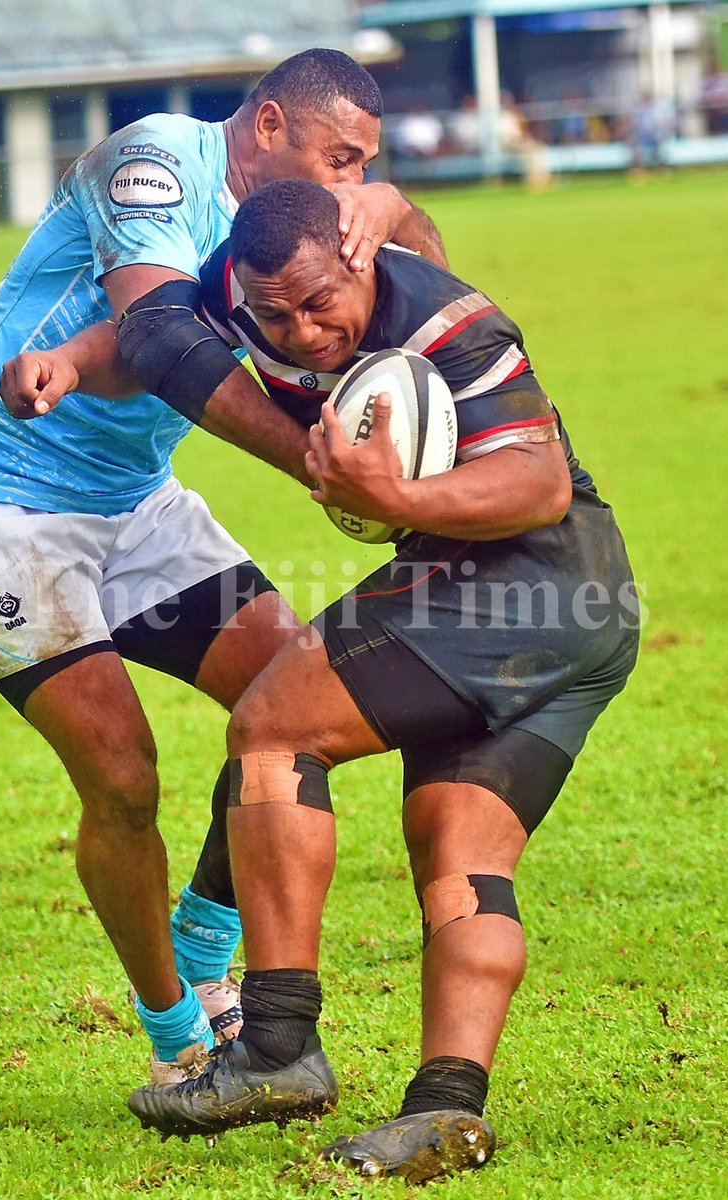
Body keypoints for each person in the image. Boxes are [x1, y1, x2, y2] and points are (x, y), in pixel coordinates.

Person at [0, 51, 448, 1087]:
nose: (348, 182)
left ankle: (204, 947)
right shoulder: (153, 164)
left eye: (362, 166)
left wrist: (392, 208)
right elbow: (157, 341)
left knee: (292, 702)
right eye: (340, 158)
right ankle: (175, 1037)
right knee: (123, 776)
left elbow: (423, 285)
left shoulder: (294, 225)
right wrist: (316, 466)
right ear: (270, 124)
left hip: (134, 501)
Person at [126, 179, 640, 1182]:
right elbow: (151, 331)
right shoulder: (244, 290)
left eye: (321, 303)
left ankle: (276, 1045)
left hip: (527, 580)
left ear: (357, 257)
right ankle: (447, 1109)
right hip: (586, 615)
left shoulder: (453, 323)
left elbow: (538, 484)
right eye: (276, 315)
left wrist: (398, 497)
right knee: (457, 854)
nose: (304, 332)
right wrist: (66, 363)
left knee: (272, 726)